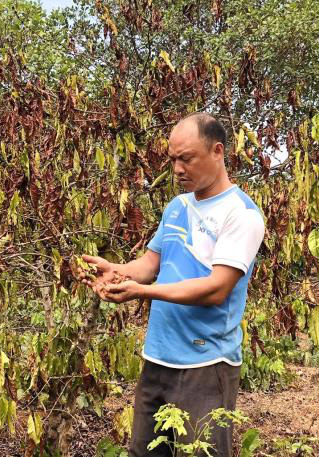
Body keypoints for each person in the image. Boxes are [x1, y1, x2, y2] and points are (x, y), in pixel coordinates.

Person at [83, 113, 265, 457]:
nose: (178, 169)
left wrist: (142, 292)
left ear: (217, 151)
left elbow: (216, 289)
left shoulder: (241, 214)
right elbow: (151, 264)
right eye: (173, 160)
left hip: (205, 365)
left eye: (186, 158)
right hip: (158, 358)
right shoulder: (177, 207)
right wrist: (118, 271)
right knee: (145, 452)